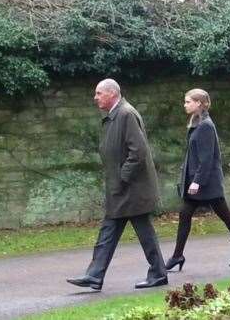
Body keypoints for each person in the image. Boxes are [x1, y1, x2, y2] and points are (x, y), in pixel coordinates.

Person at [67, 78, 167, 290]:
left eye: (98, 93)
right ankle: (94, 275)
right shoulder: (114, 116)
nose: (95, 98)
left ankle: (158, 273)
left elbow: (138, 151)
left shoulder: (126, 114)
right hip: (121, 189)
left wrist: (122, 177)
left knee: (144, 233)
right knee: (108, 232)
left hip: (131, 189)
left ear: (112, 93)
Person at [165, 88, 230, 271]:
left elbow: (207, 158)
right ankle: (177, 256)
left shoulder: (205, 125)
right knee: (185, 215)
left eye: (188, 101)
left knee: (226, 216)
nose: (185, 104)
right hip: (200, 182)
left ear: (198, 103)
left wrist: (197, 181)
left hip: (207, 183)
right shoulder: (197, 122)